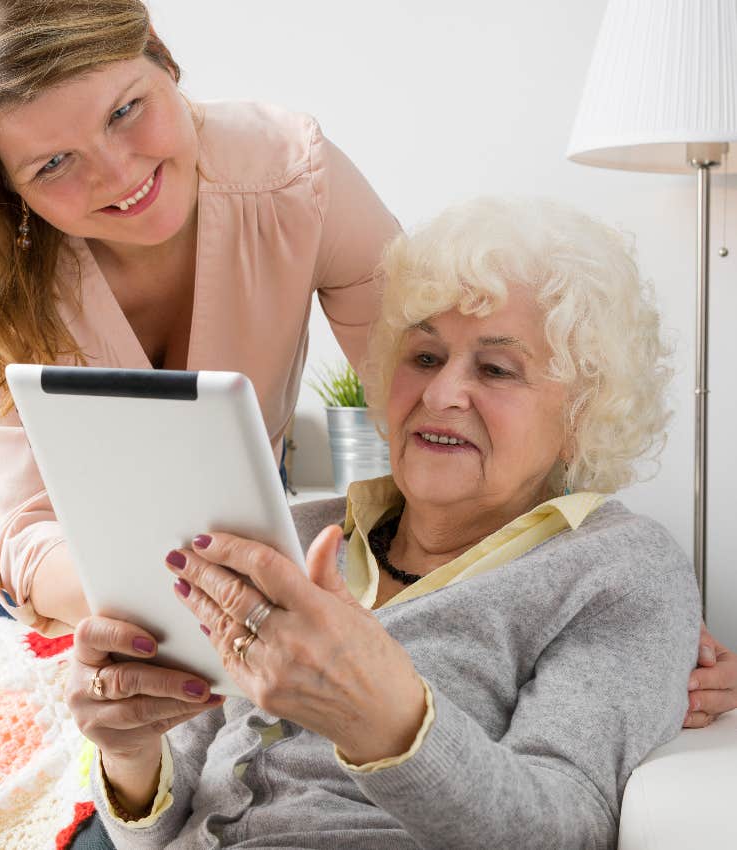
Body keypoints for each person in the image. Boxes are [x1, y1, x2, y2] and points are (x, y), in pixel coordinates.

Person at [66, 198, 703, 849]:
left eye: (495, 369)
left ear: (583, 415)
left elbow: (567, 829)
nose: (441, 393)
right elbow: (152, 831)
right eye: (424, 357)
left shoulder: (619, 570)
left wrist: (387, 718)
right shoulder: (288, 531)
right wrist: (129, 753)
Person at [0, 0, 399, 635]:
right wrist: (177, 593)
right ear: (7, 189)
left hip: (231, 502)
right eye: (52, 164)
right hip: (47, 532)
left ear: (159, 54)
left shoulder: (295, 176)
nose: (117, 174)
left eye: (124, 111)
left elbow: (423, 393)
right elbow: (25, 538)